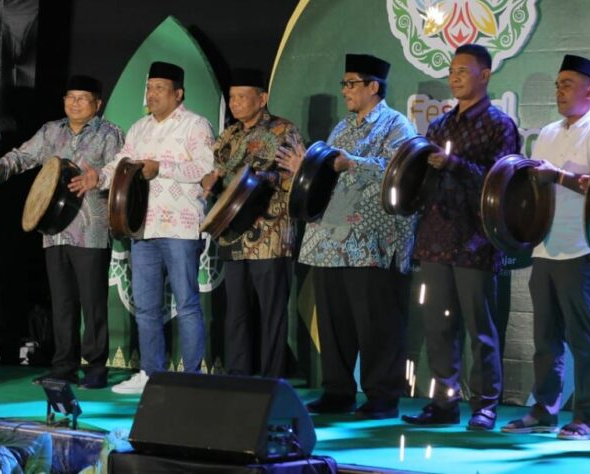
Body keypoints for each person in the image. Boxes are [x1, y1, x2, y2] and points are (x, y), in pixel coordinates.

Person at [277, 53, 416, 420]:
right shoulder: (341, 128)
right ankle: (338, 391)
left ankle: (382, 396)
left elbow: (399, 172)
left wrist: (351, 162)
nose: (345, 91)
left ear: (373, 86)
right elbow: (325, 174)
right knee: (334, 323)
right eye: (344, 84)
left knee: (375, 324)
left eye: (351, 84)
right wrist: (304, 166)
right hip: (330, 241)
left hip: (370, 242)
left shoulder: (396, 125)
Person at [501, 54, 590, 439]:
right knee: (545, 339)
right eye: (557, 85)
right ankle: (544, 410)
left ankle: (589, 416)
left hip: (582, 248)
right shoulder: (548, 133)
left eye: (567, 84)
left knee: (584, 339)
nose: (559, 91)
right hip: (545, 247)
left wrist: (559, 177)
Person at [0, 75, 124, 389]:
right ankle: (63, 366)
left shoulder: (110, 134)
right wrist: (0, 168)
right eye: (70, 97)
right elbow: (24, 155)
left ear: (97, 104)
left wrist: (98, 178)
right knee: (62, 302)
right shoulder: (51, 130)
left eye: (82, 98)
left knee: (93, 303)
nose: (74, 103)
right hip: (53, 230)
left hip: (90, 230)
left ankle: (95, 367)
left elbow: (118, 172)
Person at [402, 44, 519, 431]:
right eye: (451, 71)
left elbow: (502, 182)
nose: (454, 77)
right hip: (435, 236)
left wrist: (455, 163)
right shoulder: (439, 126)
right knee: (438, 326)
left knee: (480, 328)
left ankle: (485, 405)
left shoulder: (500, 125)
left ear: (485, 75)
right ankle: (444, 402)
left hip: (476, 239)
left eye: (463, 71)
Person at [77, 61, 214, 395]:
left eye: (159, 89)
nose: (152, 94)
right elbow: (121, 164)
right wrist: (100, 177)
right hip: (142, 227)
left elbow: (205, 167)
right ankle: (150, 373)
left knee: (187, 304)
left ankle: (191, 378)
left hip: (180, 227)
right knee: (146, 306)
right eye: (149, 88)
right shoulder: (139, 128)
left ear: (178, 94)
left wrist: (160, 168)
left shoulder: (196, 125)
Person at [201, 68, 303, 378]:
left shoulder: (283, 130)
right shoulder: (229, 135)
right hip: (232, 235)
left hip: (270, 236)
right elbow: (217, 173)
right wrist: (210, 181)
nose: (235, 103)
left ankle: (272, 379)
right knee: (236, 313)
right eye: (232, 97)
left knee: (272, 314)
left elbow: (294, 178)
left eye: (242, 97)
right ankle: (238, 375)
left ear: (262, 98)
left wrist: (261, 179)